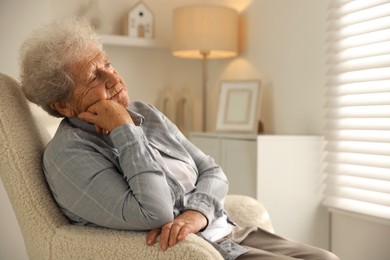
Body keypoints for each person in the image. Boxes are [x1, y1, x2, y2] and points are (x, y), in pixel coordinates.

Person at [20, 17, 339, 260]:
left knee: (327, 257)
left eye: (107, 64)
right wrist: (124, 131)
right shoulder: (68, 157)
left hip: (228, 229)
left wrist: (197, 212)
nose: (113, 77)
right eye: (94, 77)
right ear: (62, 104)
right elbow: (155, 211)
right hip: (203, 250)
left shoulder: (147, 113)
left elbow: (212, 170)